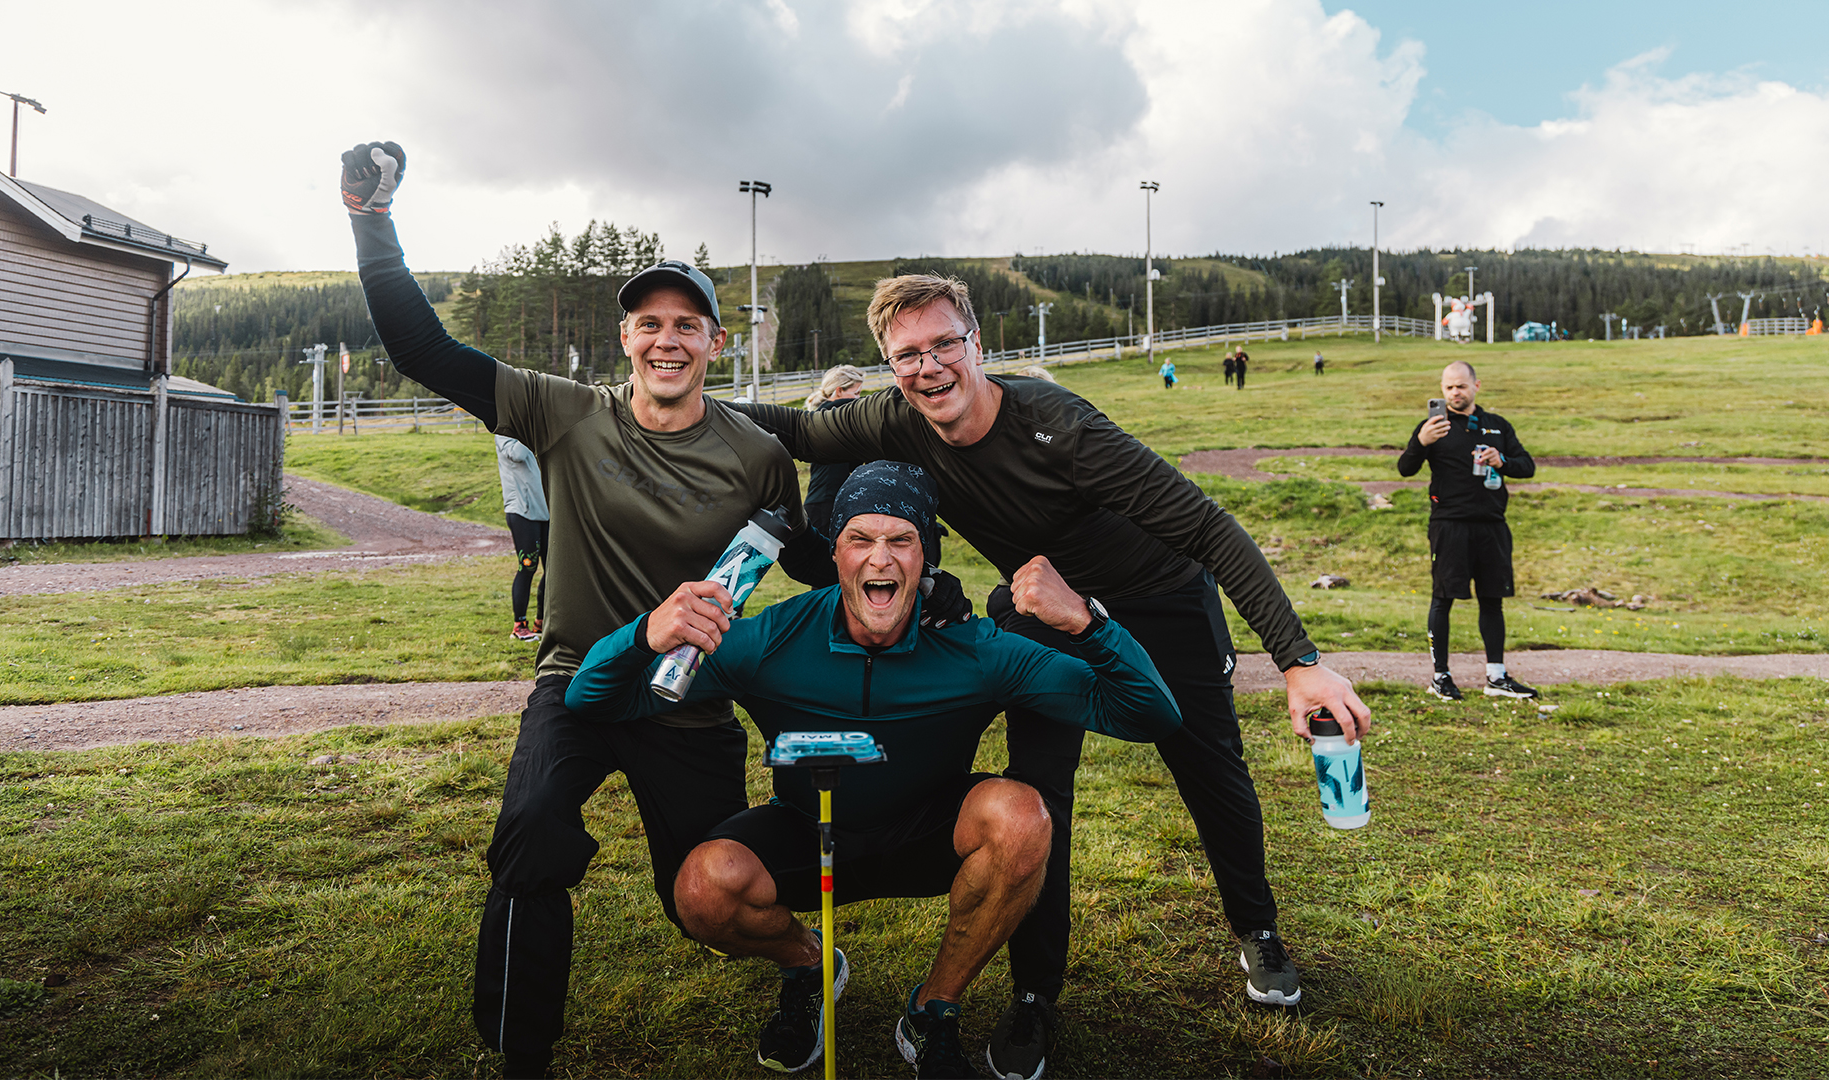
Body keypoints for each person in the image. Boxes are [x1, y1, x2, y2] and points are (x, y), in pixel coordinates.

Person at [732, 274, 1370, 1079]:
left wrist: (1298, 662)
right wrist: (665, 400)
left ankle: (1258, 929)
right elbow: (793, 427)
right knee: (1040, 796)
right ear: (890, 365)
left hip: (1162, 599)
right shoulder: (896, 414)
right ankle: (1034, 997)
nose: (928, 368)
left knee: (1209, 770)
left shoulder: (1061, 426)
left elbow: (1210, 529)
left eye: (943, 346)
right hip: (1041, 608)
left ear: (978, 348)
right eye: (907, 355)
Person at [339, 140, 842, 1078]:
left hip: (688, 702)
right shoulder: (565, 413)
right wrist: (373, 222)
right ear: (626, 341)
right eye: (650, 323)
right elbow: (423, 351)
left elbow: (806, 556)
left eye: (688, 325)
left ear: (714, 344)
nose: (667, 340)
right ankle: (521, 1054)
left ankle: (809, 970)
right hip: (575, 681)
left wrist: (903, 584)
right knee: (529, 833)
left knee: (707, 894)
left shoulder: (755, 455)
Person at [566, 461, 1181, 1079]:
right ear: (835, 554)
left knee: (1023, 818)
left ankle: (934, 1007)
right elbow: (593, 698)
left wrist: (1085, 620)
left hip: (926, 830)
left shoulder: (978, 650)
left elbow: (1148, 714)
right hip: (809, 830)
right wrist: (646, 633)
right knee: (700, 892)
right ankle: (810, 965)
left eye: (901, 541)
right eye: (860, 539)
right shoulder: (769, 641)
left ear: (925, 559)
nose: (880, 560)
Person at [1397, 361, 1540, 701]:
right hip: (1449, 525)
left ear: (1477, 386)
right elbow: (1405, 468)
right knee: (1443, 598)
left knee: (1493, 600)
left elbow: (1528, 466)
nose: (1455, 393)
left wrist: (1501, 460)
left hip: (1492, 525)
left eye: (1461, 386)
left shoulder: (1496, 426)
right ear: (1442, 390)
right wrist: (1420, 441)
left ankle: (1496, 676)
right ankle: (1440, 676)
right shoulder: (1433, 427)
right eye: (1448, 388)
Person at [801, 364, 867, 536]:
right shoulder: (827, 414)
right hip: (823, 505)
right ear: (839, 391)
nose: (858, 399)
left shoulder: (836, 422)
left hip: (829, 502)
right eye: (856, 393)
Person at [496, 434, 550, 641]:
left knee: (553, 569)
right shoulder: (504, 434)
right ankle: (519, 626)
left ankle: (541, 622)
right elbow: (517, 454)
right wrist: (528, 428)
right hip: (522, 512)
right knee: (528, 566)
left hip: (546, 511)